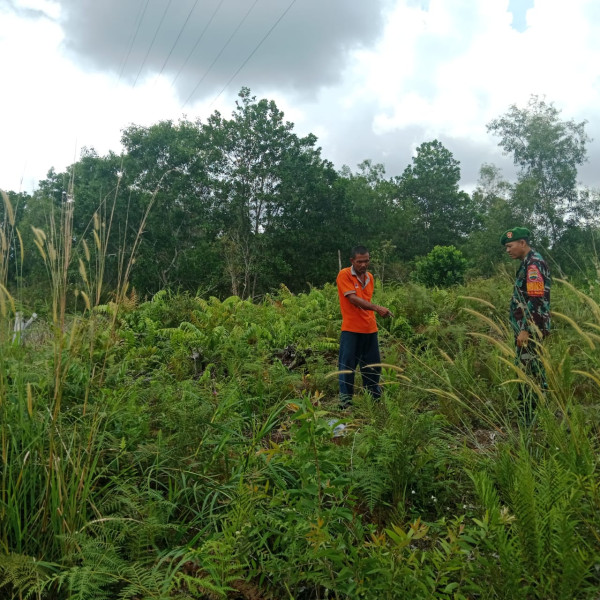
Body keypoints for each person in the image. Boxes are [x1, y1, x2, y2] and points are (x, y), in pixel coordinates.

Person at [501, 227, 551, 424]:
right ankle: (536, 410)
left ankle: (530, 416)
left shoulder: (533, 265)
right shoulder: (527, 263)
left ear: (523, 243)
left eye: (510, 246)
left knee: (528, 370)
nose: (507, 250)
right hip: (527, 328)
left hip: (530, 330)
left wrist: (525, 329)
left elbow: (536, 299)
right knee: (532, 367)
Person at [336, 245, 393, 407]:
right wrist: (377, 308)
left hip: (370, 329)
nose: (363, 265)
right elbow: (353, 299)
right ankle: (345, 403)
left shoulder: (370, 277)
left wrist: (374, 311)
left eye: (366, 261)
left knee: (373, 367)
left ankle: (374, 400)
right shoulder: (344, 275)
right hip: (351, 330)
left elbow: (365, 300)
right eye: (360, 261)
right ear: (352, 261)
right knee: (347, 367)